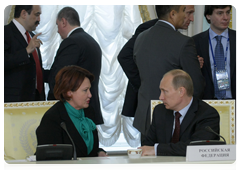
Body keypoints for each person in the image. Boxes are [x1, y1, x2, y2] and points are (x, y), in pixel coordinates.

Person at [133, 5, 205, 141]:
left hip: (144, 113)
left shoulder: (141, 37)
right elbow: (196, 86)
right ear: (172, 14)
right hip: (171, 116)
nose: (186, 16)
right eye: (183, 11)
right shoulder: (183, 42)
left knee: (149, 158)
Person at [118, 5, 198, 118]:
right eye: (187, 12)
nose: (190, 18)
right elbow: (125, 56)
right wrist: (142, 84)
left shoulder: (180, 38)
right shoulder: (146, 30)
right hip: (164, 109)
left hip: (154, 111)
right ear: (173, 13)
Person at [139, 69, 220, 156]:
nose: (160, 97)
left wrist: (157, 150)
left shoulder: (207, 114)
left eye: (165, 91)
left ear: (181, 91)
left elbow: (197, 148)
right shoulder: (160, 111)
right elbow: (147, 145)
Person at [47, 7, 103, 125]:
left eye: (57, 25)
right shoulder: (91, 41)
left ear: (63, 21)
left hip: (73, 112)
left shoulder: (72, 42)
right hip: (88, 107)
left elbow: (61, 77)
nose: (57, 31)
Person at [36, 65, 107, 157]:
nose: (90, 95)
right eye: (85, 90)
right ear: (69, 92)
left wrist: (99, 152)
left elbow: (85, 149)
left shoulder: (89, 111)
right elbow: (49, 156)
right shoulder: (52, 118)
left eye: (89, 89)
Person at [192, 5, 238, 143]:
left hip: (235, 102)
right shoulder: (195, 42)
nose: (226, 17)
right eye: (220, 13)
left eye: (227, 13)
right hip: (207, 104)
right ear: (208, 16)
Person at [4, 5, 45, 102]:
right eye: (37, 14)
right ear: (23, 14)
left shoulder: (31, 35)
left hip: (36, 99)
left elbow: (35, 68)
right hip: (13, 102)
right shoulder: (5, 32)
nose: (39, 19)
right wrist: (26, 51)